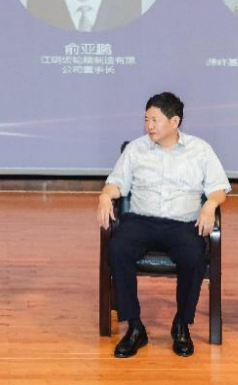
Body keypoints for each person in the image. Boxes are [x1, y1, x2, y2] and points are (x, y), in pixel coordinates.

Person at [97, 92, 230, 358]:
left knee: (194, 255)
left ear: (175, 121)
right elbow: (116, 183)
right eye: (146, 119)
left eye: (155, 120)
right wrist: (104, 196)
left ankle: (181, 325)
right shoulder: (136, 149)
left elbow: (219, 188)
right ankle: (135, 327)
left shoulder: (200, 150)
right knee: (118, 248)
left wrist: (210, 204)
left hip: (182, 224)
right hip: (141, 221)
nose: (149, 126)